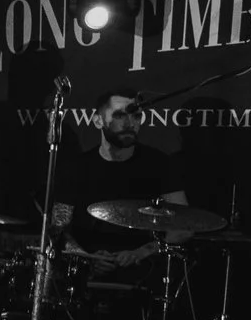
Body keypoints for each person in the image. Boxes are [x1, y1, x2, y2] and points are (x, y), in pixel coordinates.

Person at [57, 90, 189, 264]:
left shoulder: (159, 163)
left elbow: (185, 227)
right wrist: (86, 258)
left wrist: (143, 252)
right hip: (83, 273)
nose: (129, 123)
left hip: (142, 272)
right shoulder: (77, 166)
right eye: (119, 115)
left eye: (136, 116)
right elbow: (59, 228)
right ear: (98, 120)